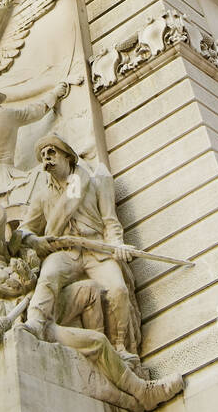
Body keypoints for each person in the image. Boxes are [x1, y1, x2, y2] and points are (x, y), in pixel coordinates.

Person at [18, 136, 139, 358]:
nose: (47, 157)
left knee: (118, 290)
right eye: (43, 154)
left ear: (67, 155)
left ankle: (120, 346)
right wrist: (36, 242)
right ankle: (35, 321)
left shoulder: (94, 182)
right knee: (49, 275)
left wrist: (117, 245)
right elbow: (23, 231)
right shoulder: (43, 195)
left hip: (97, 251)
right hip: (65, 252)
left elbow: (110, 221)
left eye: (52, 151)